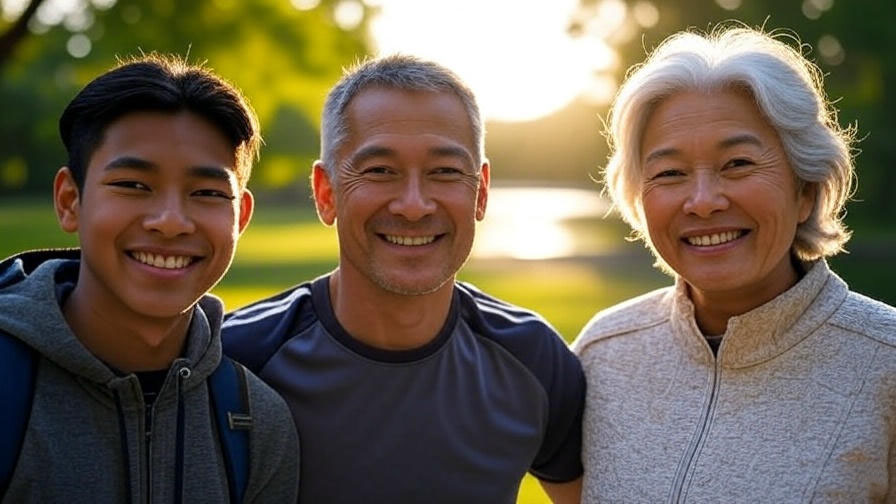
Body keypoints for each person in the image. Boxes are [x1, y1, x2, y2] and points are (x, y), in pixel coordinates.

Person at [222, 54, 585, 503]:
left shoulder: (533, 360)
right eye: (380, 171)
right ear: (326, 192)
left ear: (481, 191)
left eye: (445, 172)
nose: (413, 205)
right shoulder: (236, 363)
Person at [572, 25, 895, 502]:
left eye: (738, 164)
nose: (702, 202)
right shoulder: (602, 352)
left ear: (805, 189)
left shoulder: (884, 361)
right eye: (670, 173)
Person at [0, 54, 299, 502]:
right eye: (133, 186)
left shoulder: (256, 423)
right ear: (69, 201)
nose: (171, 222)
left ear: (241, 218)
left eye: (207, 193)